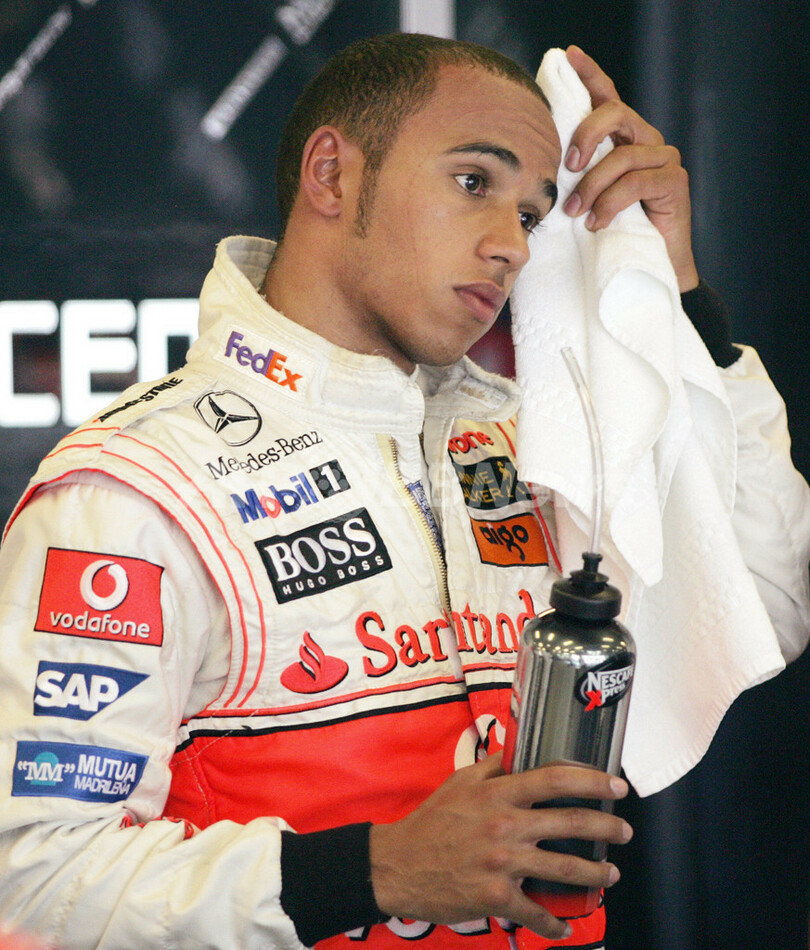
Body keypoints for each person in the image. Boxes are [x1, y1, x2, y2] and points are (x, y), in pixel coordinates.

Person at [0, 32, 807, 950]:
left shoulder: (530, 443)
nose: (510, 245)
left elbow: (759, 609)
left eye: (533, 215)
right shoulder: (135, 490)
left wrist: (674, 289)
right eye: (473, 182)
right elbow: (31, 884)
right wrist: (376, 870)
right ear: (332, 175)